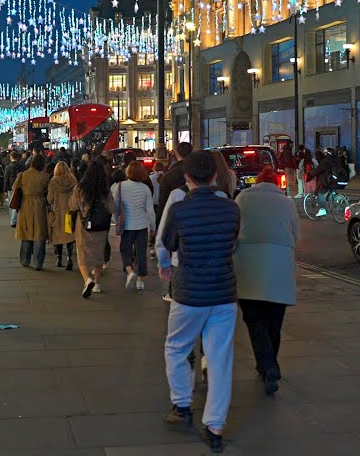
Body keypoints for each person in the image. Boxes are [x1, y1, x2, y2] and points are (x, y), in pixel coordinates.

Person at [159, 151, 241, 453]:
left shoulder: (180, 210)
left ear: (187, 177)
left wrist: (165, 266)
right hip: (223, 292)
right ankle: (215, 426)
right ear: (216, 176)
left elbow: (167, 244)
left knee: (177, 347)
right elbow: (233, 243)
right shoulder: (232, 209)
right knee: (220, 359)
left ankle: (181, 405)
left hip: (190, 292)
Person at [233, 167, 299, 396]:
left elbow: (234, 230)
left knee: (254, 320)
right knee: (274, 321)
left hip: (248, 266)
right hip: (279, 267)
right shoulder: (287, 203)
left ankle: (267, 365)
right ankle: (269, 364)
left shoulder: (242, 198)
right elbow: (296, 235)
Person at [71, 163, 113, 297]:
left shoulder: (80, 188)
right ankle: (97, 283)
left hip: (84, 226)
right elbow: (112, 208)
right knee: (98, 255)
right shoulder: (105, 190)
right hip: (101, 227)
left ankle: (87, 279)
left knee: (82, 254)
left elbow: (72, 205)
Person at [113, 161, 156, 291]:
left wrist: (116, 221)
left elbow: (116, 208)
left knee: (125, 250)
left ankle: (130, 270)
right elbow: (150, 210)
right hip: (142, 225)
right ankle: (140, 281)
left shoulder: (120, 186)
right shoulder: (145, 188)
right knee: (141, 253)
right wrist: (153, 227)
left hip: (127, 225)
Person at [12, 155, 51, 270]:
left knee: (26, 233)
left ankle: (25, 260)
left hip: (25, 205)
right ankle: (38, 263)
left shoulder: (22, 175)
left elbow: (15, 187)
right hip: (39, 205)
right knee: (39, 234)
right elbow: (48, 192)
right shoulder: (44, 177)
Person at [48, 160, 78, 270]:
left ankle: (59, 258)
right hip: (70, 211)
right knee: (69, 236)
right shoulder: (73, 180)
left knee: (58, 236)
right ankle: (70, 258)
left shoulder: (53, 181)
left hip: (58, 212)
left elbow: (49, 199)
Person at [157, 141, 194, 213]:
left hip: (175, 214)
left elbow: (162, 203)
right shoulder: (198, 171)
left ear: (177, 154)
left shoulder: (169, 175)